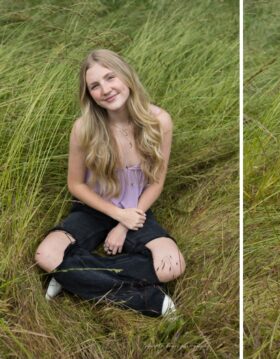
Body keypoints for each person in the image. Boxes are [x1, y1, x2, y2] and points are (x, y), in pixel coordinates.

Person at [33, 49, 185, 317]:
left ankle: (71, 276)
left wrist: (125, 224)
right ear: (89, 94)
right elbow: (76, 185)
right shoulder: (84, 128)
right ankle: (148, 300)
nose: (105, 89)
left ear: (126, 76)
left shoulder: (159, 121)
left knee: (172, 265)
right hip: (92, 209)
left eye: (110, 77)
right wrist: (117, 215)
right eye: (95, 86)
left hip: (137, 209)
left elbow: (156, 183)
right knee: (45, 254)